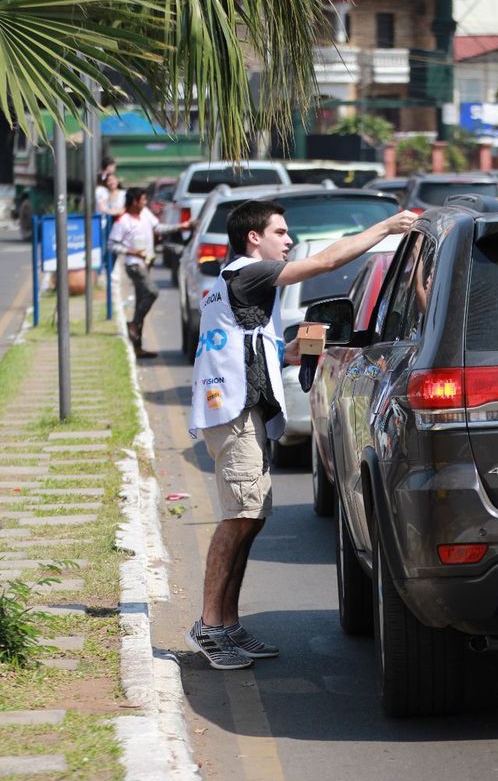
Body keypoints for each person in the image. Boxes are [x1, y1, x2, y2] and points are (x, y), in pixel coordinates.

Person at [186, 200, 417, 669]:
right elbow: (326, 260)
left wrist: (305, 345)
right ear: (255, 238)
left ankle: (228, 625)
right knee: (239, 518)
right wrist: (387, 227)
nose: (288, 241)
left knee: (250, 518)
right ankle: (210, 627)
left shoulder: (242, 287)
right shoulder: (249, 272)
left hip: (240, 410)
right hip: (232, 414)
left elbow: (267, 349)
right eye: (281, 232)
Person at [109, 186, 194, 359]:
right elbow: (112, 244)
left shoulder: (145, 214)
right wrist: (133, 252)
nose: (145, 203)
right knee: (151, 292)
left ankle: (137, 345)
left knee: (142, 300)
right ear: (134, 202)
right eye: (143, 200)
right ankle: (133, 324)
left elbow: (159, 228)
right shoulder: (123, 221)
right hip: (134, 265)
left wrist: (181, 226)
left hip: (147, 263)